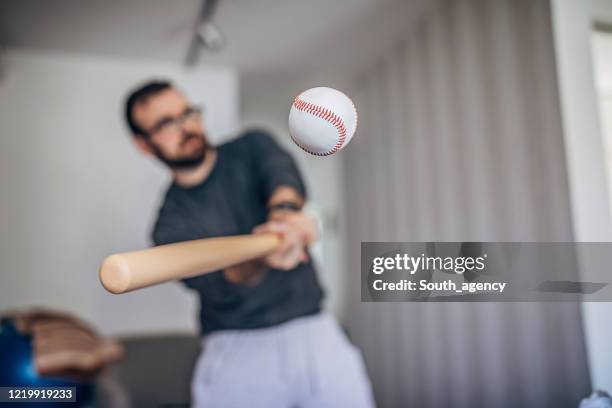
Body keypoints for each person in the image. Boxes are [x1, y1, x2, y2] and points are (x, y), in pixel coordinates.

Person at [123, 80, 374, 408]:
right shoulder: (169, 227)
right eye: (166, 123)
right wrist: (263, 255)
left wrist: (283, 218)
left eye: (188, 113)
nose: (186, 126)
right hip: (236, 347)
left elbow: (281, 175)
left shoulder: (250, 145)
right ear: (144, 144)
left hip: (313, 328)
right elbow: (227, 279)